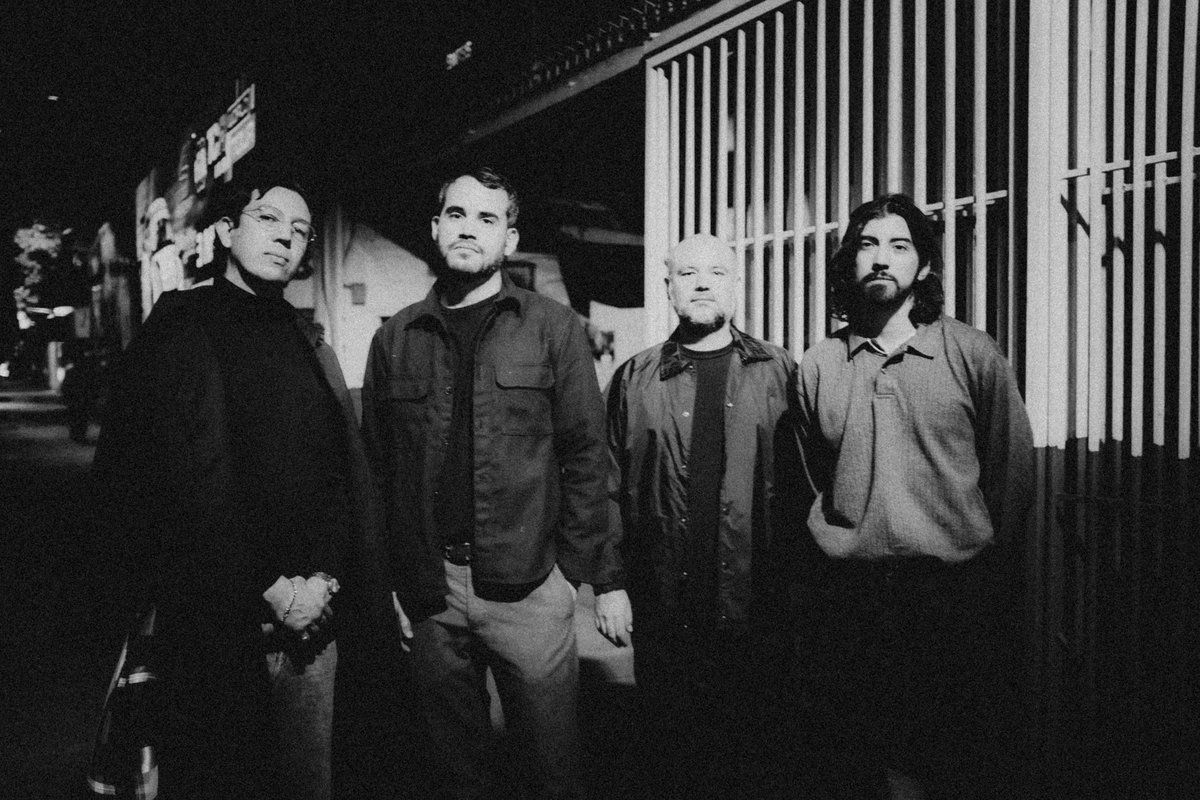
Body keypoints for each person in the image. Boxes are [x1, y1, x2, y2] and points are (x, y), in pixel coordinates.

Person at [92, 160, 387, 800]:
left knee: (308, 782)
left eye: (301, 230)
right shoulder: (181, 326)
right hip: (218, 626)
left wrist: (324, 582)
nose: (286, 236)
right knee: (224, 779)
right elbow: (174, 487)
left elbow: (340, 477)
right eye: (268, 218)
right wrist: (272, 588)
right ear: (226, 231)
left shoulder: (306, 340)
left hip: (312, 621)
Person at [361, 167, 630, 800]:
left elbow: (587, 457)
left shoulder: (553, 328)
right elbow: (376, 472)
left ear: (509, 240)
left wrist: (578, 576)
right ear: (435, 228)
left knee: (551, 771)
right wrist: (392, 583)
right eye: (456, 215)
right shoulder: (395, 338)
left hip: (530, 588)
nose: (468, 229)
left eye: (487, 218)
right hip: (430, 593)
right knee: (455, 773)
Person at [793, 193, 1035, 799]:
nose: (882, 259)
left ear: (924, 265)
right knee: (857, 763)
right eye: (867, 245)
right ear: (848, 263)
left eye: (899, 246)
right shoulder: (819, 366)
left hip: (950, 596)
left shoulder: (971, 353)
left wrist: (987, 573)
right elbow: (811, 478)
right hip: (851, 598)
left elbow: (1010, 472)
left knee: (950, 761)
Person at [605, 234, 799, 799]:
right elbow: (605, 487)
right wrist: (610, 585)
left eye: (716, 272)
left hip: (757, 606)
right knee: (671, 761)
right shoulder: (634, 378)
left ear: (736, 284)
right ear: (669, 287)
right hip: (665, 605)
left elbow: (802, 489)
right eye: (688, 274)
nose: (703, 284)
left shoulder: (780, 372)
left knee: (754, 760)